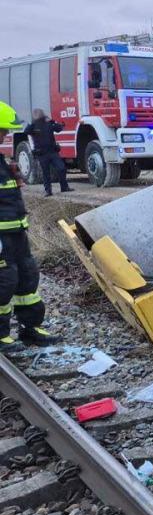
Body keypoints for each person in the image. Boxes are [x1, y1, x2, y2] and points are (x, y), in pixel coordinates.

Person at [0, 101, 59, 348]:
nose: (5, 135)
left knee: (27, 277)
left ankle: (31, 327)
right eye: (2, 130)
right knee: (5, 281)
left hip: (16, 232)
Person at [23, 109, 71, 197]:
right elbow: (26, 131)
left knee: (61, 168)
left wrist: (52, 121)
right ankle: (48, 191)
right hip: (42, 153)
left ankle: (64, 187)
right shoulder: (33, 126)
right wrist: (31, 123)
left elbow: (59, 128)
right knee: (46, 173)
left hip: (52, 151)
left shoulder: (48, 123)